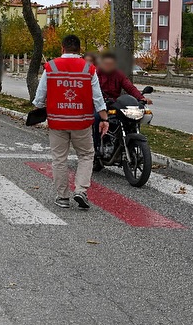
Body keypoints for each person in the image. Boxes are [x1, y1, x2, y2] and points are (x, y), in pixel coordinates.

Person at [32, 34, 107, 210]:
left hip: (57, 122)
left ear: (62, 48)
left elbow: (40, 95)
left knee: (59, 159)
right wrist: (104, 118)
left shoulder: (51, 66)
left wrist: (37, 110)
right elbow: (97, 97)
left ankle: (63, 197)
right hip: (82, 122)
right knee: (86, 155)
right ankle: (80, 190)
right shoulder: (88, 68)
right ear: (79, 50)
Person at [93, 52, 151, 151]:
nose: (108, 66)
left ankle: (128, 141)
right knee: (96, 117)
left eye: (111, 64)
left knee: (129, 118)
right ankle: (97, 146)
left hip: (114, 103)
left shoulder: (118, 74)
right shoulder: (96, 74)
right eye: (106, 64)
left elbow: (130, 87)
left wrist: (141, 98)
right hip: (99, 103)